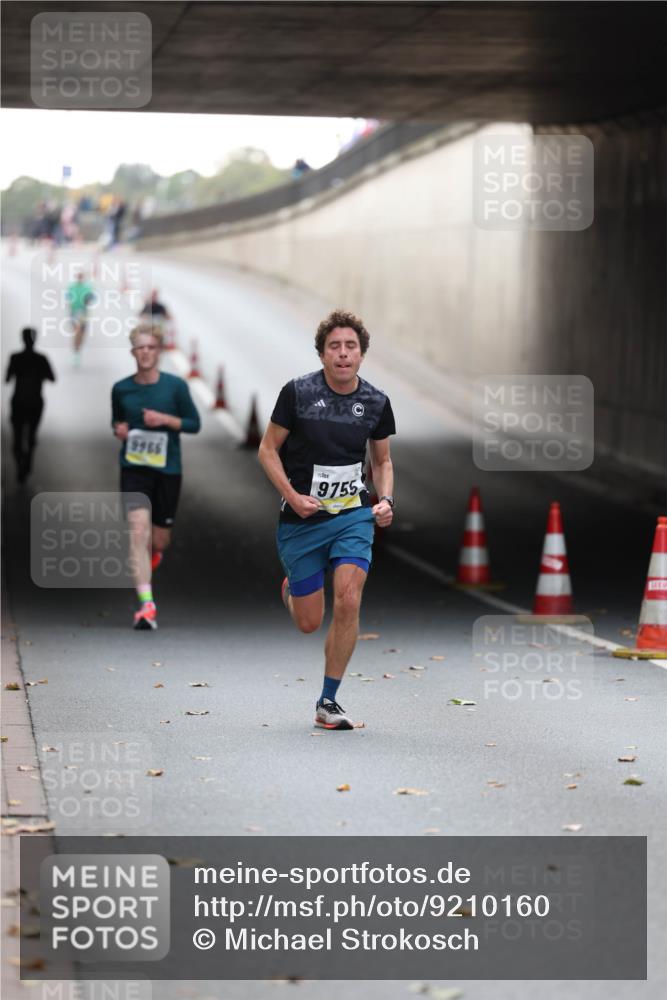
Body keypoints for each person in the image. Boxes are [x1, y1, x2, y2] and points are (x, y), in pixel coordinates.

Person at [258, 309, 396, 730]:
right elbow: (267, 450)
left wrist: (385, 499)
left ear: (361, 354)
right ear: (322, 354)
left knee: (350, 598)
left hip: (352, 515)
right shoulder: (297, 394)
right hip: (302, 519)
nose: (342, 354)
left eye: (350, 346)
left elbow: (383, 460)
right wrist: (293, 497)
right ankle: (292, 590)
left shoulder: (375, 402)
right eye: (334, 346)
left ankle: (328, 702)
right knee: (309, 622)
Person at [111, 325, 201, 630]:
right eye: (140, 347)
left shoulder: (175, 387)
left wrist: (164, 419)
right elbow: (118, 422)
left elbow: (194, 423)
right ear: (133, 352)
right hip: (134, 469)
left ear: (159, 351)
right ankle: (146, 605)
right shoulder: (121, 389)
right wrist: (119, 431)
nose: (145, 352)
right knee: (138, 532)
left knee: (159, 540)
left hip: (167, 470)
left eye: (151, 347)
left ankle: (150, 560)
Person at [5, 327, 56, 483]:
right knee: (32, 435)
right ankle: (27, 461)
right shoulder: (41, 359)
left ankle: (21, 463)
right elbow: (52, 378)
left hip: (18, 401)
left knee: (17, 437)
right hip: (35, 402)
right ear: (35, 340)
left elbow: (7, 379)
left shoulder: (15, 358)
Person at [66, 270, 95, 366]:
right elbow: (67, 298)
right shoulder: (72, 287)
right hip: (74, 313)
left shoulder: (87, 288)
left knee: (82, 334)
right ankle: (76, 350)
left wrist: (89, 299)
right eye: (78, 276)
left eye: (81, 276)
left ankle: (78, 349)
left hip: (83, 312)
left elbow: (93, 298)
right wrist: (70, 304)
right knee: (76, 332)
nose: (80, 278)